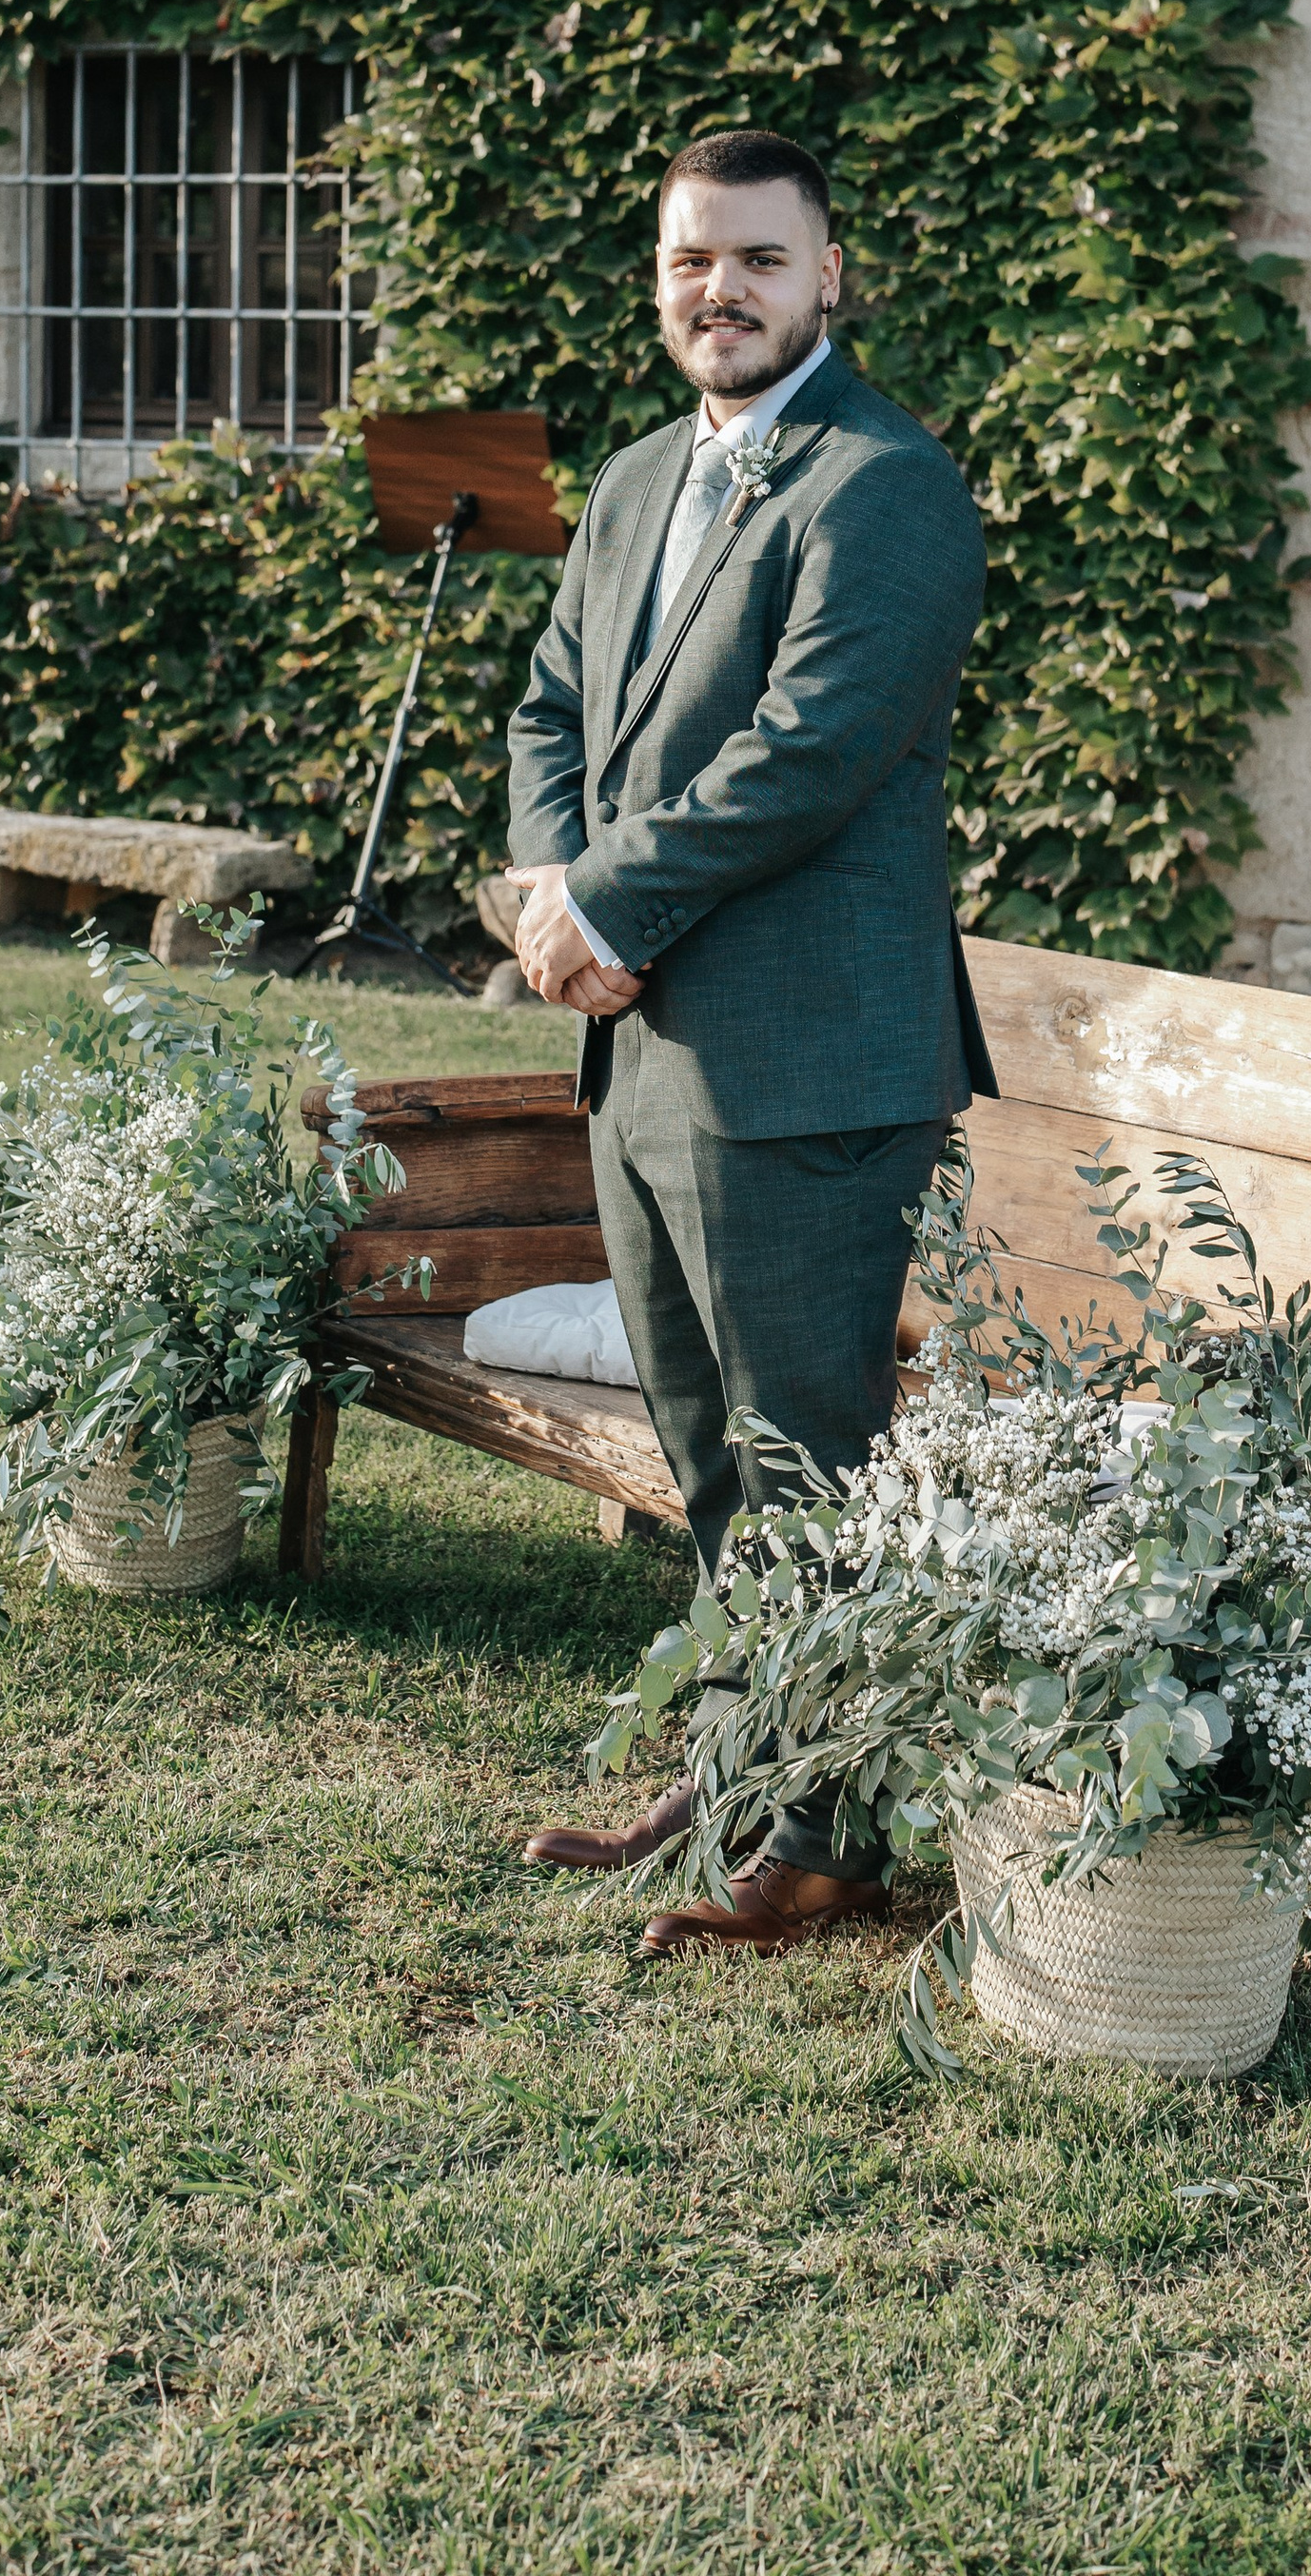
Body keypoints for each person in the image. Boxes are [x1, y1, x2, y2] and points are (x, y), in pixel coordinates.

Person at [503, 125, 993, 1957]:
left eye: (759, 262)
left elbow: (802, 757)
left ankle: (832, 1837)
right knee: (704, 1454)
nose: (721, 292)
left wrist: (606, 910)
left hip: (803, 1064)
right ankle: (742, 1768)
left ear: (831, 277)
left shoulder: (887, 488)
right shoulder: (639, 480)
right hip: (642, 1050)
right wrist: (553, 882)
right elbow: (556, 700)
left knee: (807, 1460)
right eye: (692, 262)